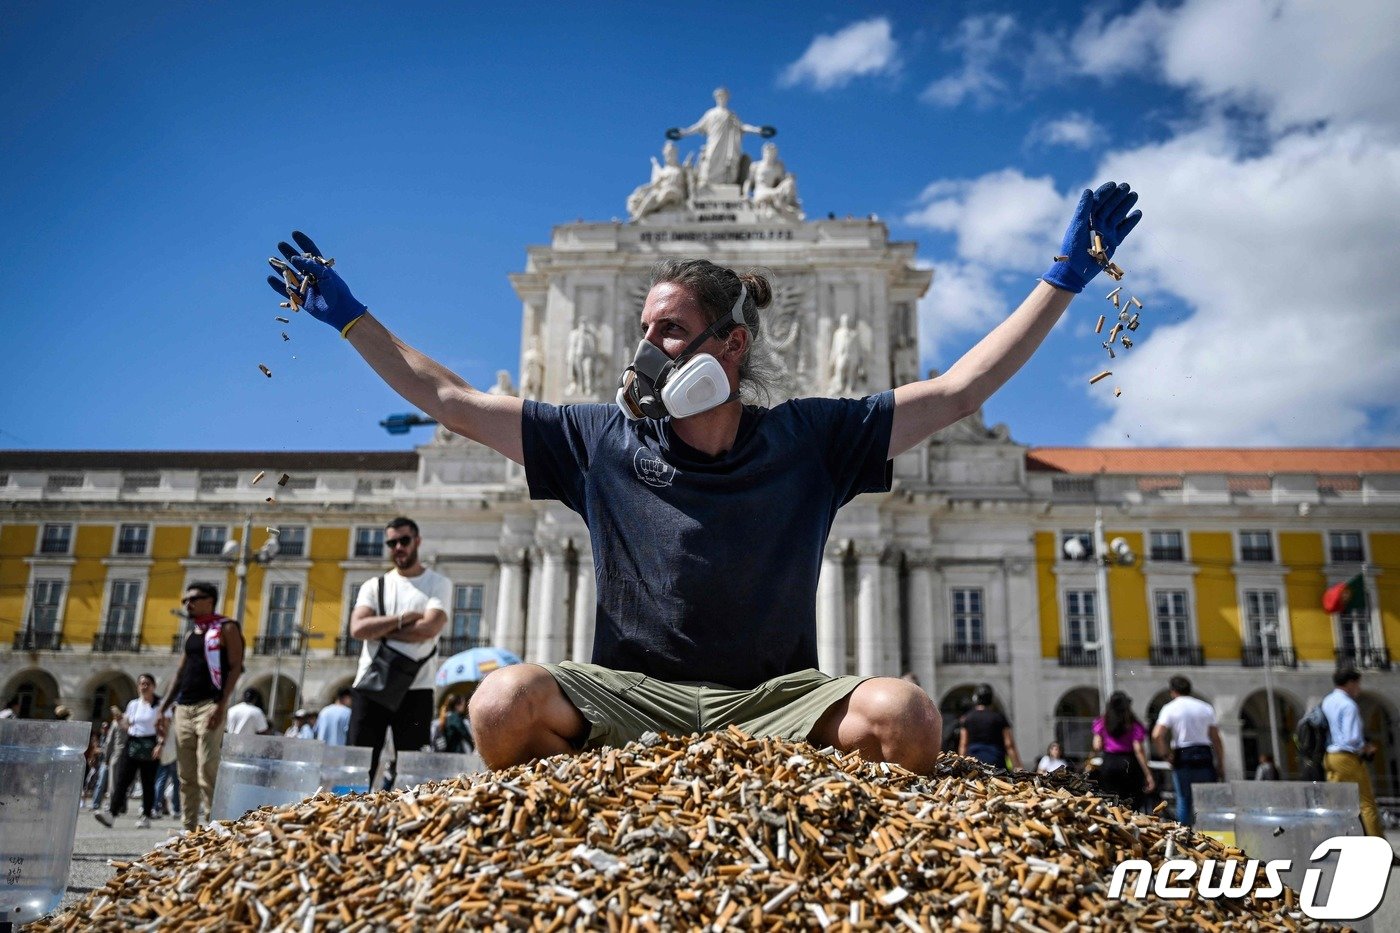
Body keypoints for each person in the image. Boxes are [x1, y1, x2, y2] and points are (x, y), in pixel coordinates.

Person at [264, 182, 1141, 774]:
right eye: (644, 329)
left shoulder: (810, 437)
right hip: (629, 697)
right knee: (500, 702)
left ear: (732, 345)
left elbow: (958, 389)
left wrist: (1063, 279)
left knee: (906, 715)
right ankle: (563, 825)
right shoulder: (598, 438)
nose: (648, 351)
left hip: (777, 702)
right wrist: (348, 314)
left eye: (672, 331)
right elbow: (446, 396)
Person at [346, 517, 452, 786]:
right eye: (392, 543)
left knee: (412, 770)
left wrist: (380, 628)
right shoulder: (374, 585)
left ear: (417, 541)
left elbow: (430, 627)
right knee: (357, 765)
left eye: (404, 540)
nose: (398, 547)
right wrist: (404, 619)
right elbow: (358, 628)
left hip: (418, 688)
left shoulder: (438, 583)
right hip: (371, 684)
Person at [159, 581, 245, 833]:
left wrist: (221, 704)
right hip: (183, 707)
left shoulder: (227, 628)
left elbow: (236, 666)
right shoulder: (192, 634)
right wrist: (162, 708)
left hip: (210, 704)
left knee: (207, 765)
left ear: (210, 600)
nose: (188, 604)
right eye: (185, 600)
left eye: (193, 599)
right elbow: (179, 672)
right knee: (185, 773)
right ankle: (189, 828)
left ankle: (216, 823)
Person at [1152, 675, 1224, 826]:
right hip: (1204, 752)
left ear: (1172, 691)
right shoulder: (1205, 707)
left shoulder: (1170, 708)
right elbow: (1216, 738)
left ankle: (1185, 837)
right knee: (1207, 800)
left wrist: (1166, 755)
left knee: (1184, 798)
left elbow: (1157, 734)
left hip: (1183, 753)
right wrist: (1221, 763)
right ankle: (1211, 834)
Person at [96, 673, 164, 829]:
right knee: (122, 779)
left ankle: (146, 815)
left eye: (147, 683)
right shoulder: (134, 704)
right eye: (141, 683)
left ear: (153, 686)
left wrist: (160, 744)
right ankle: (111, 814)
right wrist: (120, 720)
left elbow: (163, 726)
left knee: (148, 781)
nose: (144, 686)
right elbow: (128, 726)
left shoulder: (160, 704)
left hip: (151, 743)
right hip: (133, 742)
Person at [1322, 667, 1384, 837]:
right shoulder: (1348, 705)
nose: (1359, 688)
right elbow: (1352, 738)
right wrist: (1366, 747)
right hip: (1347, 757)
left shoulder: (1328, 701)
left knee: (1336, 803)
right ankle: (1381, 848)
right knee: (1366, 803)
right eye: (1357, 684)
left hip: (1330, 757)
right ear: (1350, 683)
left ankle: (1331, 839)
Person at [671, 87, 770, 188]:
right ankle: (707, 185)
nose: (722, 98)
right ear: (716, 98)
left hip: (728, 146)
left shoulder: (732, 115)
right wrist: (685, 132)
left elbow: (742, 127)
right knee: (710, 160)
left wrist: (757, 130)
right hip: (714, 141)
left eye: (724, 96)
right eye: (719, 96)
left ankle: (727, 184)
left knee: (729, 164)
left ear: (727, 98)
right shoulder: (711, 114)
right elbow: (698, 126)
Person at [1091, 691, 1156, 811]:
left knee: (1111, 802)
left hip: (1109, 761)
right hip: (1129, 763)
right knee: (1132, 802)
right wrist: (1148, 774)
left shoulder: (1102, 721)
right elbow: (1138, 749)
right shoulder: (1133, 724)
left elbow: (1097, 746)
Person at [958, 685, 1022, 770]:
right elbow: (1009, 744)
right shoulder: (999, 717)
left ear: (975, 698)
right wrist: (1017, 766)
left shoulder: (968, 718)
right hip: (996, 762)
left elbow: (963, 744)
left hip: (974, 763)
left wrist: (960, 764)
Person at [627, 141, 691, 220]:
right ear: (665, 154)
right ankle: (638, 216)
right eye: (668, 153)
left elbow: (689, 181)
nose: (670, 155)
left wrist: (688, 168)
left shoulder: (680, 169)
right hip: (664, 193)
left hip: (677, 192)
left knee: (665, 193)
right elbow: (655, 185)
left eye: (672, 152)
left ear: (675, 154)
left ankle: (639, 216)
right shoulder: (663, 171)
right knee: (653, 195)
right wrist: (642, 188)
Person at [88, 707, 124, 811]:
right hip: (112, 759)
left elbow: (108, 745)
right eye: (103, 727)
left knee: (110, 783)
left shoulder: (116, 725)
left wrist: (106, 757)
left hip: (112, 758)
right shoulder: (124, 724)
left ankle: (110, 804)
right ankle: (98, 804)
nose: (105, 729)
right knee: (107, 783)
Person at [152, 707, 180, 819]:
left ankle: (156, 807)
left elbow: (163, 735)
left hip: (167, 753)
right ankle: (176, 809)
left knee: (161, 781)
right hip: (175, 753)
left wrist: (160, 745)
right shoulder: (177, 720)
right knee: (175, 783)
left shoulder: (168, 718)